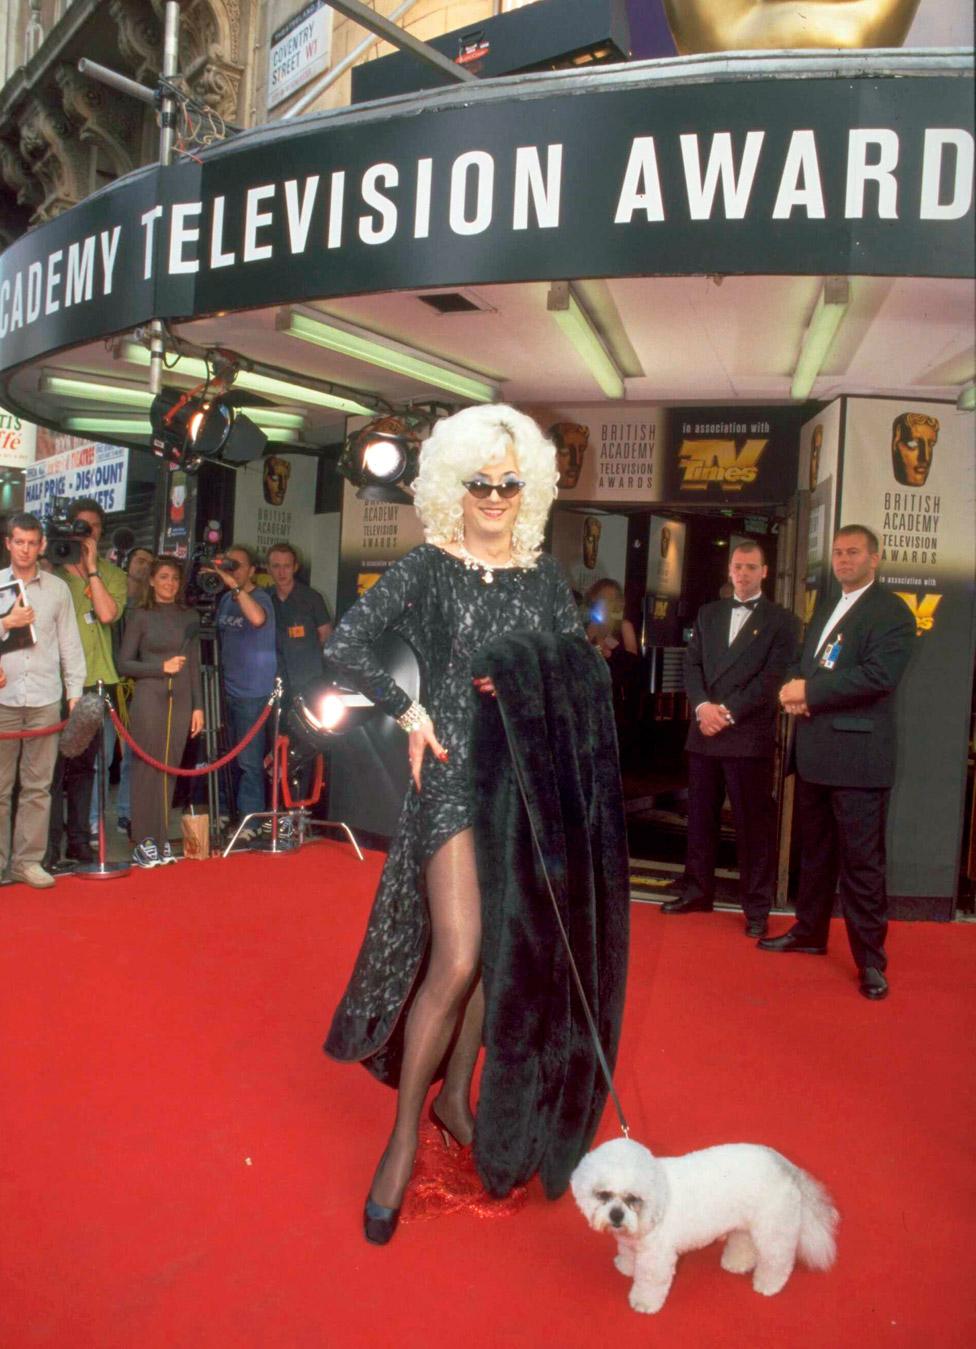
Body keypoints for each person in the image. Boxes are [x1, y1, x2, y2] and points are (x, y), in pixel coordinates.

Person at [322, 404, 589, 1246]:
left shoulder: (544, 580)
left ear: (530, 488)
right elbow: (349, 643)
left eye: (512, 483)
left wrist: (530, 683)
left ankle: (457, 1099)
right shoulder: (429, 569)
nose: (497, 497)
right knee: (462, 950)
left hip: (519, 783)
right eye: (481, 483)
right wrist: (412, 713)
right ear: (453, 487)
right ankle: (402, 1138)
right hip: (447, 778)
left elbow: (577, 672)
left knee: (498, 955)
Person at [760, 526, 915, 1001]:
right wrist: (794, 689)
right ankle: (809, 932)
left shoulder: (891, 611)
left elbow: (879, 676)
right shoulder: (827, 605)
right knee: (816, 855)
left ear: (875, 558)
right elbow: (810, 666)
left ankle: (871, 962)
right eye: (838, 553)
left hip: (859, 760)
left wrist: (810, 692)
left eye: (853, 553)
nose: (843, 560)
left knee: (863, 866)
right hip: (815, 755)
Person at [663, 542, 798, 937]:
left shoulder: (782, 621)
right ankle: (697, 892)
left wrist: (727, 713)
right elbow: (693, 666)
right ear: (729, 570)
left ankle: (756, 908)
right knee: (700, 820)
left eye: (751, 568)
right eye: (738, 567)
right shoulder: (710, 613)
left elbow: (772, 679)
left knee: (752, 827)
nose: (743, 574)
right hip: (704, 732)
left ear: (765, 572)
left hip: (747, 736)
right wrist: (703, 707)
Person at [0, 513, 86, 888]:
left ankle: (27, 862)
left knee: (38, 787)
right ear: (8, 543)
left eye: (32, 542)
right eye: (19, 541)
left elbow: (70, 644)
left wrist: (75, 694)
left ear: (43, 545)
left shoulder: (57, 589)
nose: (25, 549)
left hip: (45, 699)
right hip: (3, 699)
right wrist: (6, 623)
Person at [48, 498, 127, 866]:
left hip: (96, 680)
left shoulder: (111, 574)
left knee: (88, 768)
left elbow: (108, 614)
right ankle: (47, 847)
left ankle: (80, 840)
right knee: (50, 770)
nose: (84, 533)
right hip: (55, 684)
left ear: (100, 532)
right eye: (78, 525)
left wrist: (92, 568)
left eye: (91, 527)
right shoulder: (54, 569)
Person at [118, 556, 204, 868]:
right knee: (146, 770)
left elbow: (194, 664)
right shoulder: (139, 615)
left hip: (181, 699)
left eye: (174, 578)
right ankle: (143, 841)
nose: (169, 583)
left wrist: (199, 706)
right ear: (152, 580)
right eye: (164, 577)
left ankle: (161, 838)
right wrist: (160, 668)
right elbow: (124, 664)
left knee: (169, 770)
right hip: (149, 696)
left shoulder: (189, 615)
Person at [210, 544, 276, 834]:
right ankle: (227, 811)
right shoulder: (225, 600)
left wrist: (236, 588)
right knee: (225, 755)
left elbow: (257, 618)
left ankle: (253, 819)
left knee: (249, 761)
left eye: (237, 565)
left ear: (251, 570)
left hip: (253, 692)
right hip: (226, 689)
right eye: (227, 563)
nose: (231, 569)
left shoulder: (260, 597)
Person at [114, 546, 154, 837]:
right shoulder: (113, 597)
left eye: (150, 563)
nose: (144, 567)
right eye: (140, 560)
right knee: (99, 758)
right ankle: (91, 821)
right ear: (128, 563)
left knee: (134, 755)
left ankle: (126, 813)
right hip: (108, 682)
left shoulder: (149, 606)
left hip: (137, 686)